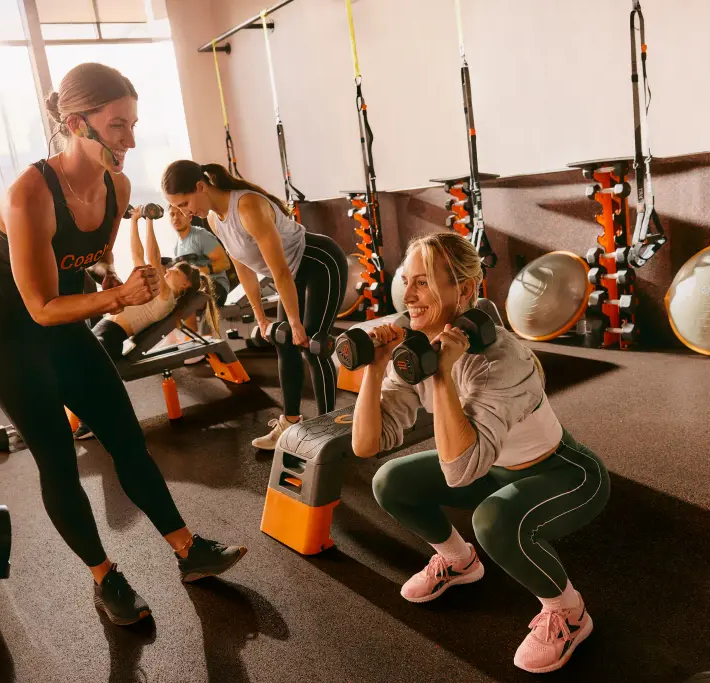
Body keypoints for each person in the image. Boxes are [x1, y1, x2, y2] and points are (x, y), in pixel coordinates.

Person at [0, 62, 246, 627]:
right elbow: (39, 307)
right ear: (77, 123)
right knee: (58, 460)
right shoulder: (27, 196)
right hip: (8, 332)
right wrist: (116, 302)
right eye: (118, 126)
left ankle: (189, 551)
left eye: (134, 124)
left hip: (65, 323)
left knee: (126, 439)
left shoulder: (116, 186)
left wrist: (113, 282)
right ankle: (105, 577)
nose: (131, 140)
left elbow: (92, 261)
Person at [350, 232, 610, 674]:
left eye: (425, 283)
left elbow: (460, 469)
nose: (408, 296)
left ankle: (568, 612)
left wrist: (442, 375)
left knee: (492, 520)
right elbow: (366, 445)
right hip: (491, 466)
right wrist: (375, 370)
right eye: (406, 282)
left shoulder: (501, 359)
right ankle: (458, 561)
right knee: (390, 480)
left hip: (562, 473)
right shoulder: (416, 345)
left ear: (465, 290)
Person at [162, 161, 348, 449]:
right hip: (291, 274)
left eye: (184, 202)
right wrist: (260, 318)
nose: (185, 212)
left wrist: (297, 323)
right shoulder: (214, 219)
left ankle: (328, 432)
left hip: (318, 262)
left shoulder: (247, 207)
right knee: (284, 342)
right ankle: (290, 422)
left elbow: (281, 273)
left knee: (313, 344)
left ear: (201, 186)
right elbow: (245, 270)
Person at [71, 206, 220, 440]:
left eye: (176, 271)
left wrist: (149, 221)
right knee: (73, 363)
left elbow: (152, 257)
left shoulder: (166, 298)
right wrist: (135, 221)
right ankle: (89, 418)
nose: (169, 270)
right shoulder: (154, 288)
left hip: (111, 334)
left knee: (82, 369)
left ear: (185, 286)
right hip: (104, 327)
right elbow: (138, 258)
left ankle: (93, 422)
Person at [169, 204, 231, 308]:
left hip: (215, 286)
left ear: (189, 217)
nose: (176, 217)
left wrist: (199, 271)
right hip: (194, 288)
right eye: (172, 214)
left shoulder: (201, 236)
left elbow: (225, 263)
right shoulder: (176, 246)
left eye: (180, 213)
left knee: (183, 304)